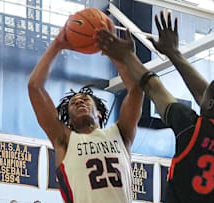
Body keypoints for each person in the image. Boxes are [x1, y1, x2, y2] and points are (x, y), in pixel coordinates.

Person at [95, 11, 214, 203]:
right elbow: (209, 97)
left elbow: (153, 86)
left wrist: (127, 56)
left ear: (210, 103)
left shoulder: (192, 128)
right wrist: (173, 53)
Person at [28, 24, 143, 203]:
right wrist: (57, 45)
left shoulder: (120, 134)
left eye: (85, 100)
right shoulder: (65, 140)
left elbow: (136, 89)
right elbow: (34, 87)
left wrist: (120, 57)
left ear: (98, 113)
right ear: (70, 119)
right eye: (74, 103)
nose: (79, 101)